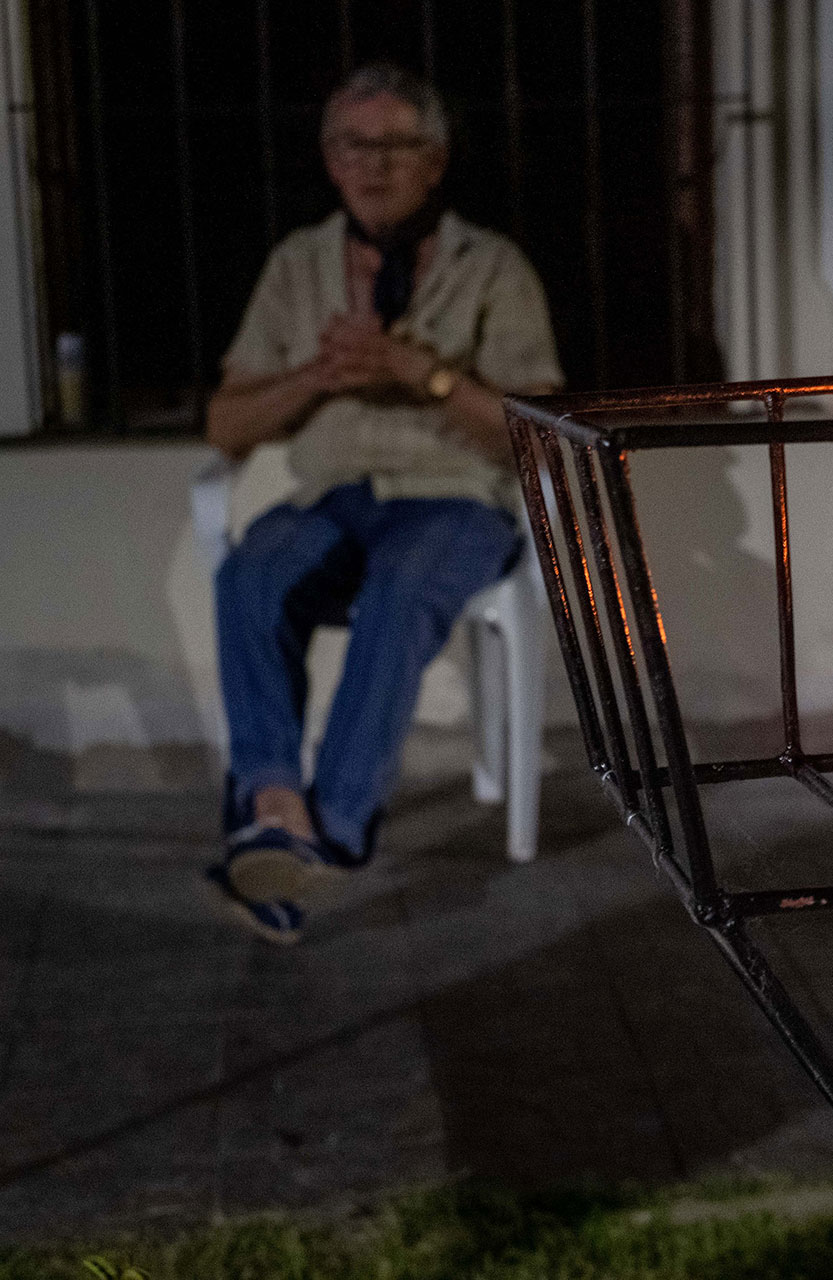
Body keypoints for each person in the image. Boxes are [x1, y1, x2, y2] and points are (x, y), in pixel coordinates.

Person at [204, 63, 561, 943]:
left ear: (435, 161)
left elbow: (539, 433)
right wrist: (316, 376)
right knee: (251, 570)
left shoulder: (493, 267)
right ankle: (278, 810)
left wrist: (425, 375)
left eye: (398, 145)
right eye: (354, 145)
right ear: (330, 160)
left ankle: (331, 833)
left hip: (453, 504)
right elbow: (227, 425)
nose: (375, 165)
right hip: (332, 497)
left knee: (403, 587)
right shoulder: (297, 265)